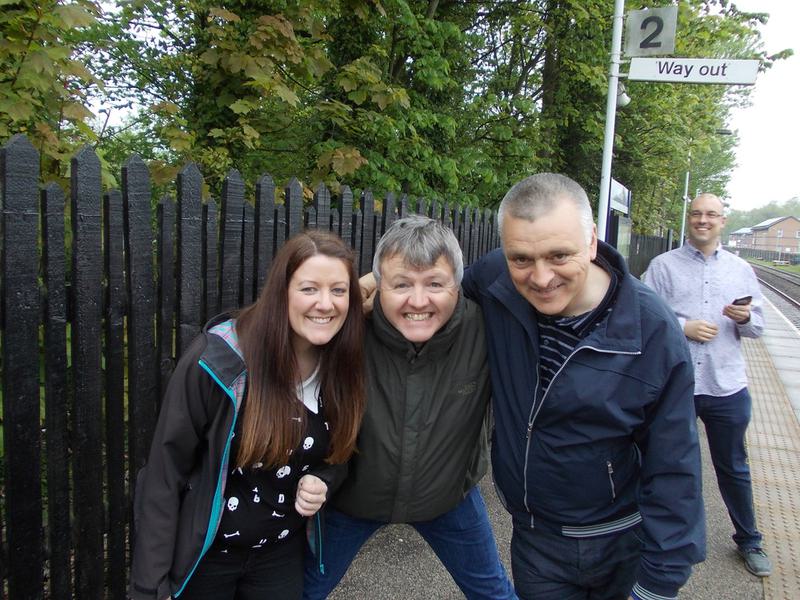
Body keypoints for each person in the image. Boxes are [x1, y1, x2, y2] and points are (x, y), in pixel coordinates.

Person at [461, 173, 705, 600]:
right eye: (521, 259)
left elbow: (674, 465)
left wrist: (660, 581)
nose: (541, 278)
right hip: (534, 539)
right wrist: (369, 285)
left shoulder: (651, 331)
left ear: (592, 242)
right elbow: (431, 286)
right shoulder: (496, 282)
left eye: (559, 255)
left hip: (619, 544)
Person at [129, 230, 366, 600]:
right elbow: (165, 473)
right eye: (309, 289)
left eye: (338, 290)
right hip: (205, 558)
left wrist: (323, 479)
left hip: (279, 557)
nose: (325, 303)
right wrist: (148, 587)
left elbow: (339, 454)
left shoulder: (342, 365)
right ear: (281, 292)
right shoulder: (220, 362)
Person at [303, 216, 517, 600]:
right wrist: (355, 292)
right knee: (303, 590)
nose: (418, 301)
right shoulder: (344, 330)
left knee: (494, 592)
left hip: (449, 499)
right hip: (352, 500)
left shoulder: (485, 330)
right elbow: (277, 325)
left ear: (458, 284)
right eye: (401, 284)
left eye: (435, 283)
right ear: (379, 286)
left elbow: (527, 255)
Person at [644, 192, 771, 577]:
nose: (703, 220)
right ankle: (653, 536)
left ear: (722, 221)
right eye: (697, 213)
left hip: (725, 385)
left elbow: (758, 328)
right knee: (664, 463)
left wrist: (745, 318)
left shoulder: (741, 270)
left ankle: (749, 540)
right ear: (689, 219)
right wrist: (683, 326)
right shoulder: (663, 266)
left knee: (733, 466)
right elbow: (642, 317)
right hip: (676, 386)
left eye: (711, 214)